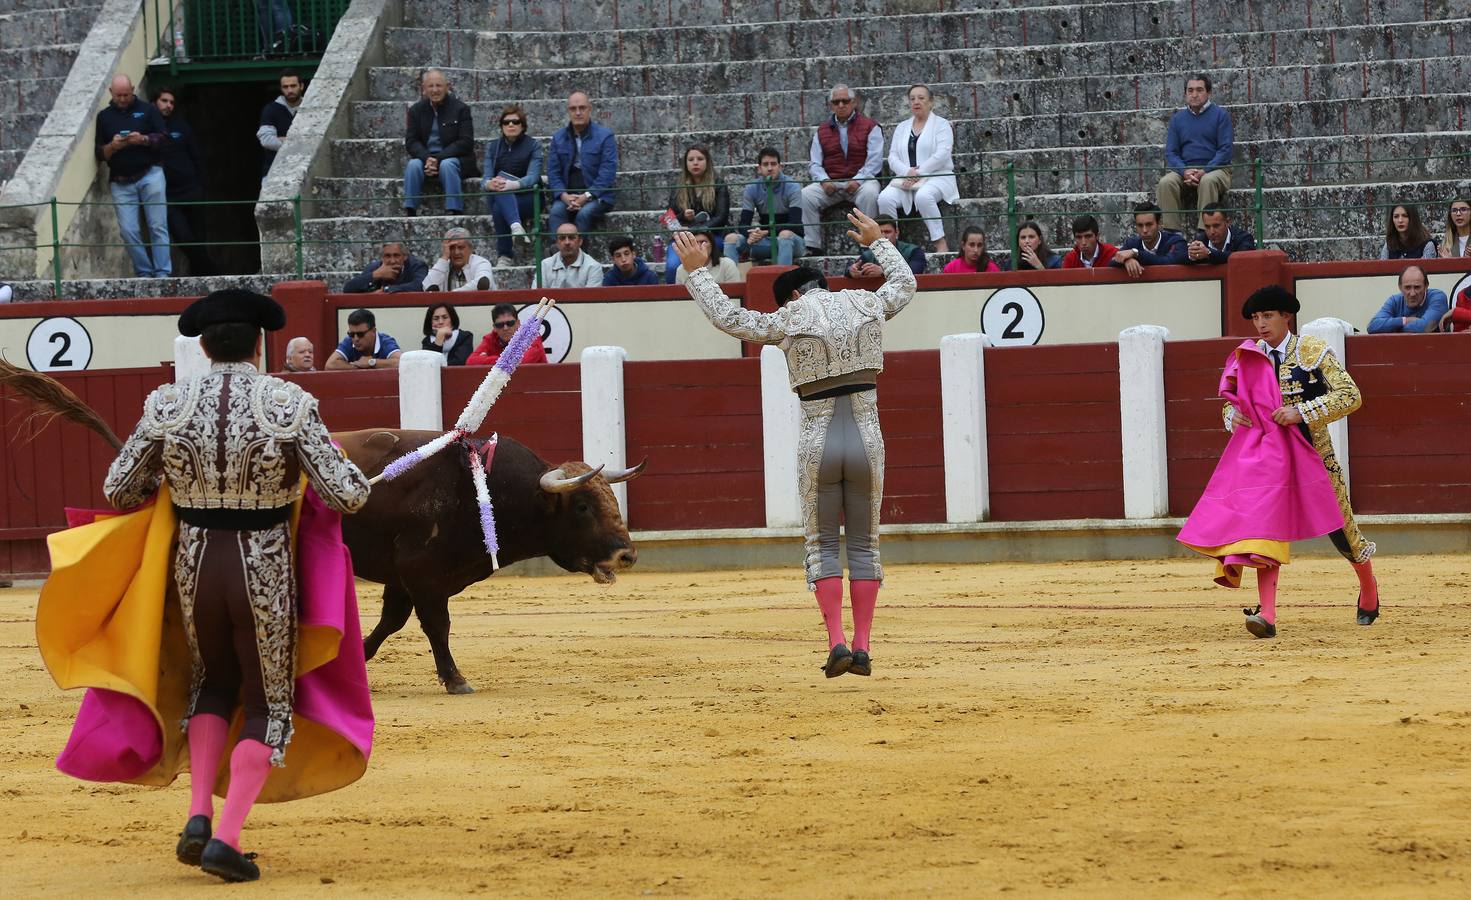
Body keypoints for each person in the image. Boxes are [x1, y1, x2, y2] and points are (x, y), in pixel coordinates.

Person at [99, 289, 371, 881]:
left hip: (196, 564)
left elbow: (118, 490)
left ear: (202, 345)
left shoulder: (169, 404)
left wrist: (177, 475)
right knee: (270, 704)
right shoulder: (287, 404)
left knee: (212, 683)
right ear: (258, 344)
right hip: (263, 567)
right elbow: (347, 493)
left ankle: (197, 816)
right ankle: (225, 837)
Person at [676, 209, 915, 678]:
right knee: (865, 544)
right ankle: (864, 646)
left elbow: (729, 317)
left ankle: (837, 642)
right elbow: (905, 284)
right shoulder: (865, 304)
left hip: (817, 441)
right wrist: (876, 242)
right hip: (868, 438)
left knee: (821, 543)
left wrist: (697, 273)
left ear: (797, 295)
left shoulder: (791, 317)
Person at [1182, 285, 1381, 638]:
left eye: (1267, 316)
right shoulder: (1249, 356)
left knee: (1341, 529)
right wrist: (1233, 416)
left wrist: (1301, 412)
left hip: (1313, 456)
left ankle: (1368, 586)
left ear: (1286, 316)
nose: (1260, 324)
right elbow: (1234, 403)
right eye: (1256, 318)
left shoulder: (1312, 350)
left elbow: (1351, 396)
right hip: (1268, 460)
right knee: (1263, 532)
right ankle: (1268, 616)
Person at [94, 74, 171, 278]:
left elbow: (164, 138)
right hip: (121, 181)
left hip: (150, 174)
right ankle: (144, 272)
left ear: (133, 90)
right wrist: (113, 146)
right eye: (118, 95)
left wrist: (143, 139)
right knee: (128, 231)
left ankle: (163, 272)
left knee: (158, 226)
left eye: (126, 95)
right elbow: (99, 152)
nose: (122, 99)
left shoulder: (148, 110)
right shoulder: (104, 117)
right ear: (111, 92)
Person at [801, 84, 883, 255]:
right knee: (806, 195)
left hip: (861, 182)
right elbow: (815, 164)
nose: (841, 105)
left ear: (854, 103)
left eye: (845, 101)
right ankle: (812, 245)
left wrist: (858, 180)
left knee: (870, 194)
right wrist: (824, 180)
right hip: (832, 182)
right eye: (836, 101)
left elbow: (874, 161)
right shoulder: (821, 131)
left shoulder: (871, 126)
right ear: (831, 105)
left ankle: (868, 245)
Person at [877, 84, 958, 252]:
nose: (916, 102)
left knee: (924, 196)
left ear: (931, 102)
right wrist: (908, 173)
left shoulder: (942, 125)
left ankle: (939, 241)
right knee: (884, 198)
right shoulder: (902, 127)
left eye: (921, 98)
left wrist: (918, 173)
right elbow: (892, 157)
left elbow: (942, 154)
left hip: (937, 176)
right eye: (912, 98)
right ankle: (891, 244)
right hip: (906, 179)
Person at [1156, 73, 1234, 233]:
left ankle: (1202, 233)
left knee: (1208, 181)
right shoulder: (1178, 119)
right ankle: (1172, 233)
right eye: (1190, 90)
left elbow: (1225, 150)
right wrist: (1184, 171)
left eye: (1199, 90)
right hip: (1186, 171)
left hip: (1216, 170)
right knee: (1165, 183)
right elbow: (1171, 152)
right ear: (1185, 94)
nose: (1194, 94)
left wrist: (1204, 171)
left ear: (1209, 93)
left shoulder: (1221, 116)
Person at [153, 86, 216, 277]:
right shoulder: (148, 128)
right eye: (164, 101)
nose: (168, 106)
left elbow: (196, 155)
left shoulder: (182, 126)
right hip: (169, 196)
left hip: (192, 191)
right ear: (154, 102)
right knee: (185, 239)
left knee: (199, 240)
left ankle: (201, 280)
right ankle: (215, 273)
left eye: (172, 102)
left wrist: (202, 186)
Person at [403, 68, 478, 217]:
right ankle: (410, 209)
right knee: (413, 165)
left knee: (447, 165)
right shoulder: (416, 111)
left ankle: (454, 209)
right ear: (424, 89)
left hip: (456, 159)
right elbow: (411, 141)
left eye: (439, 85)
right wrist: (427, 158)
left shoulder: (461, 109)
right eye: (431, 86)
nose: (435, 90)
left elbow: (466, 142)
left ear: (447, 87)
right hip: (427, 159)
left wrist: (438, 159)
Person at [547, 91, 618, 233]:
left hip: (598, 195)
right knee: (556, 212)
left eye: (582, 108)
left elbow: (607, 172)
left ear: (589, 109)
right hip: (568, 195)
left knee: (584, 214)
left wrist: (586, 196)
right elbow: (553, 173)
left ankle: (578, 254)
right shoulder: (558, 138)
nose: (578, 112)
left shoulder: (605, 136)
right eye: (573, 109)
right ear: (568, 111)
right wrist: (564, 196)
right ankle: (557, 252)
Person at [480, 103, 542, 267]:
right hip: (501, 195)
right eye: (506, 122)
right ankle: (516, 228)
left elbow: (533, 178)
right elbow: (484, 180)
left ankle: (505, 256)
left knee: (499, 206)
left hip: (528, 198)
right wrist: (489, 184)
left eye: (515, 122)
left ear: (523, 125)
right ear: (501, 126)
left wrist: (510, 185)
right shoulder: (493, 147)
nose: (511, 125)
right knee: (499, 193)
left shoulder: (533, 145)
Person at [726, 146, 805, 266]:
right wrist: (751, 234)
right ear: (759, 168)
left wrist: (766, 232)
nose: (769, 168)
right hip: (766, 241)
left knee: (785, 235)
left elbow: (795, 225)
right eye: (765, 164)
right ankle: (730, 282)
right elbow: (744, 224)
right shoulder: (752, 188)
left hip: (792, 242)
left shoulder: (792, 186)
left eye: (773, 164)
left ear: (780, 167)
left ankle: (783, 282)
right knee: (731, 239)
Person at [1111, 201, 1188, 276]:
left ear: (1159, 224)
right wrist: (1126, 260)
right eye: (1140, 225)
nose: (1144, 230)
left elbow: (1167, 262)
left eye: (1149, 225)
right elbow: (1112, 262)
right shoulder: (1131, 243)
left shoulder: (1175, 241)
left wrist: (1136, 254)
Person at [1366, 265, 1448, 333]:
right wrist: (1405, 320)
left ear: (1426, 286)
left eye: (1417, 287)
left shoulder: (1437, 297)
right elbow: (1372, 326)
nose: (1412, 293)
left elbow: (1425, 327)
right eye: (1407, 288)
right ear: (1400, 287)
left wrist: (1391, 328)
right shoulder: (1394, 300)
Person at [666, 145, 730, 231]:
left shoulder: (718, 184)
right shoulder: (678, 186)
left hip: (711, 235)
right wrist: (683, 216)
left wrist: (694, 230)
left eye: (700, 159)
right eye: (691, 160)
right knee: (672, 245)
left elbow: (721, 217)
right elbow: (669, 218)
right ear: (686, 164)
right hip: (686, 235)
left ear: (707, 162)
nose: (695, 163)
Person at [466, 303, 549, 365]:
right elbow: (470, 361)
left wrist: (486, 359)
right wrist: (507, 359)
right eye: (500, 325)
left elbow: (520, 362)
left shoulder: (531, 337)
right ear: (494, 327)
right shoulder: (490, 338)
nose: (505, 328)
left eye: (510, 323)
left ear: (518, 323)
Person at [257, 69, 303, 180]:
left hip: (302, 172)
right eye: (285, 87)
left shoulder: (311, 108)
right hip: (272, 173)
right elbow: (266, 140)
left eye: (293, 86)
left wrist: (283, 140)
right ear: (281, 88)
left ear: (301, 86)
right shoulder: (271, 109)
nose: (290, 90)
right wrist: (297, 142)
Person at [848, 215, 925, 277]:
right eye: (880, 232)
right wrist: (852, 271)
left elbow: (914, 271)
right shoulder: (869, 254)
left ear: (897, 232)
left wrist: (883, 271)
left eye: (887, 232)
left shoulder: (913, 251)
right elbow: (848, 270)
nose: (884, 236)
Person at [325, 308, 403, 370]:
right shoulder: (349, 341)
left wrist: (371, 362)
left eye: (360, 334)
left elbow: (401, 362)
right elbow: (330, 365)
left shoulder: (385, 341)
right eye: (351, 334)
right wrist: (358, 366)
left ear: (373, 331)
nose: (355, 339)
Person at [422, 227, 495, 292]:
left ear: (470, 249)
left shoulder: (481, 263)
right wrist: (444, 258)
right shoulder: (443, 266)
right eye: (452, 248)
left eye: (461, 247)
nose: (456, 252)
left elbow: (483, 283)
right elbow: (427, 287)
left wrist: (451, 295)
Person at [342, 241, 429, 293]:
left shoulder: (417, 266)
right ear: (382, 258)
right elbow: (348, 288)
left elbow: (421, 285)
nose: (392, 261)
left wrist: (387, 290)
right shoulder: (375, 267)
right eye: (387, 256)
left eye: (396, 256)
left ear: (405, 256)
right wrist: (375, 275)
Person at [1186, 203, 1256, 264]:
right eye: (1207, 227)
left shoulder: (1243, 238)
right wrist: (1192, 254)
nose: (1212, 232)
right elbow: (1179, 258)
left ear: (1228, 222)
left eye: (1216, 226)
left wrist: (1209, 253)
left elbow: (1240, 259)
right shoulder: (1201, 239)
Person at [540, 223, 604, 288]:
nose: (567, 242)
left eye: (572, 237)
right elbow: (538, 296)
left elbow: (591, 297)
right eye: (562, 238)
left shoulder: (593, 267)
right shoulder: (544, 265)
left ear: (580, 241)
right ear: (557, 243)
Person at [674, 230, 742, 284]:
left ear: (712, 245)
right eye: (695, 242)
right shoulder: (681, 270)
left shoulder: (727, 264)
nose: (700, 246)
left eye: (703, 242)